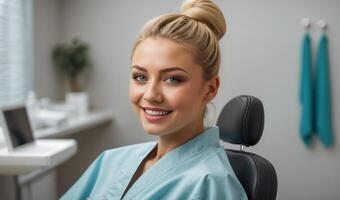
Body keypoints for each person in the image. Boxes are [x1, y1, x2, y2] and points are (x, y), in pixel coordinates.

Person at [60, 0, 248, 199]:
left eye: (172, 79)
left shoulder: (211, 184)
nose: (150, 94)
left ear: (209, 89)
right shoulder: (111, 161)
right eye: (140, 77)